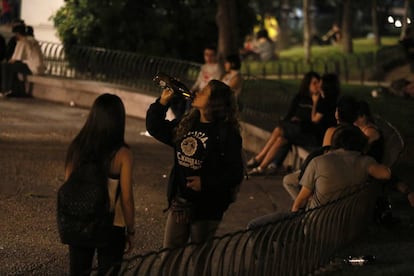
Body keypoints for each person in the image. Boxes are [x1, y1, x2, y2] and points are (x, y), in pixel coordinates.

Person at [146, 80, 244, 251]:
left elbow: (235, 173)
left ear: (214, 103)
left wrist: (205, 183)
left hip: (207, 208)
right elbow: (156, 128)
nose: (198, 92)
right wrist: (162, 102)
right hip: (180, 202)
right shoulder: (188, 123)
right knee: (169, 256)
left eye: (204, 92)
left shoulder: (226, 134)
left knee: (199, 260)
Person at [64, 93, 135, 275]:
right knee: (109, 271)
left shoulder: (77, 147)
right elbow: (126, 198)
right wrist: (131, 230)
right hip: (111, 224)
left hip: (81, 220)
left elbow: (68, 186)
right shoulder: (122, 154)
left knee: (79, 270)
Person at [247, 72, 339, 176]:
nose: (318, 85)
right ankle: (261, 167)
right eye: (315, 83)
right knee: (282, 139)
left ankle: (259, 159)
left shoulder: (324, 101)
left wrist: (314, 103)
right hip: (308, 133)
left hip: (314, 137)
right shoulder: (309, 98)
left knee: (280, 131)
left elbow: (314, 121)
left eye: (319, 82)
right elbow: (292, 115)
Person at [292, 125, 391, 212]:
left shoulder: (318, 161)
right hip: (350, 227)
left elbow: (300, 202)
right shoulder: (366, 162)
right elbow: (386, 174)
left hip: (318, 227)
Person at [283, 95, 360, 200]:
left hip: (329, 178)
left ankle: (305, 209)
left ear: (337, 113)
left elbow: (324, 159)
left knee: (288, 180)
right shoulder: (360, 134)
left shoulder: (333, 132)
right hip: (350, 179)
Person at [1, 23, 46, 97]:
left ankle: (5, 89)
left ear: (17, 34)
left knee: (5, 66)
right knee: (13, 68)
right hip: (39, 67)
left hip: (32, 68)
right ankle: (14, 90)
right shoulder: (32, 39)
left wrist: (6, 63)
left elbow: (14, 59)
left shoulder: (23, 41)